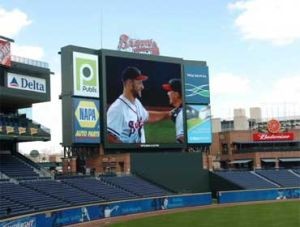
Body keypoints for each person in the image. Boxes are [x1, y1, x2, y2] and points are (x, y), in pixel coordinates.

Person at [107, 66, 169, 143]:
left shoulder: (136, 103)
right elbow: (110, 138)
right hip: (129, 154)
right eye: (139, 83)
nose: (142, 87)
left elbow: (147, 116)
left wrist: (168, 114)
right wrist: (129, 151)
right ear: (129, 83)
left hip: (139, 153)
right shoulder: (117, 108)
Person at [162, 78, 184, 143]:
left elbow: (182, 139)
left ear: (177, 94)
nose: (167, 93)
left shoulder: (181, 113)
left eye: (169, 91)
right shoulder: (180, 110)